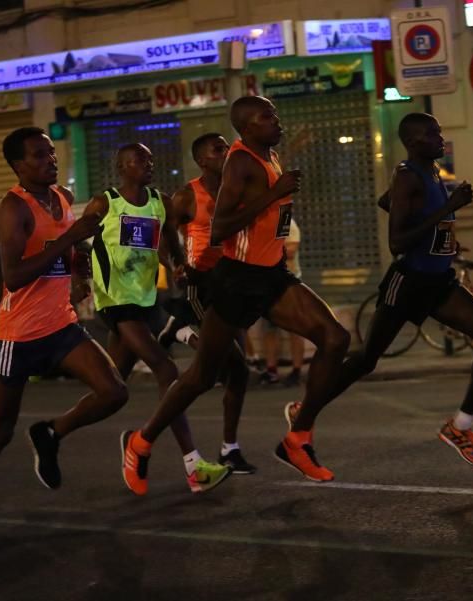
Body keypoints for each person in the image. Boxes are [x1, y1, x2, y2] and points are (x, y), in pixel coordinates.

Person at [120, 95, 350, 492]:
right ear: (246, 127)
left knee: (335, 338)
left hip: (272, 276)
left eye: (276, 113)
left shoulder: (270, 156)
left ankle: (298, 437)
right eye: (266, 116)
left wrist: (276, 193)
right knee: (201, 377)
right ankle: (141, 443)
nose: (276, 120)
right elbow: (221, 228)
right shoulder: (241, 161)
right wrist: (274, 194)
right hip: (236, 281)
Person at [292, 113, 473, 468]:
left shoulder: (431, 172)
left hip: (439, 281)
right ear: (413, 141)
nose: (440, 137)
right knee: (367, 360)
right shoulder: (408, 174)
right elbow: (398, 242)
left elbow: (388, 203)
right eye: (432, 133)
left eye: (439, 129)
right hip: (406, 282)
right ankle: (306, 408)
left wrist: (445, 239)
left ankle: (460, 426)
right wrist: (449, 209)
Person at [0, 127, 129, 554]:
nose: (51, 160)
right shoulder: (14, 208)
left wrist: (79, 271)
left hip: (60, 325)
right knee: (1, 429)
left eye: (51, 152)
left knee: (114, 392)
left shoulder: (63, 199)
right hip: (19, 334)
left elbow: (70, 248)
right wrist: (70, 239)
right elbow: (12, 276)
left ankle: (51, 433)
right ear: (18, 165)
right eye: (39, 155)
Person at [90, 142, 230, 496]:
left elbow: (171, 244)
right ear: (122, 166)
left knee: (113, 387)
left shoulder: (160, 202)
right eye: (140, 159)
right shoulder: (104, 203)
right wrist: (77, 278)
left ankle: (53, 433)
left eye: (151, 158)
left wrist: (178, 267)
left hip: (144, 299)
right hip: (114, 301)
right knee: (167, 370)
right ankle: (191, 465)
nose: (149, 164)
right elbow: (77, 241)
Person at [157, 132, 256, 474]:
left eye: (227, 146)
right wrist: (177, 264)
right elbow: (164, 238)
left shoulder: (239, 189)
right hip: (204, 287)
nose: (226, 151)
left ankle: (230, 448)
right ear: (202, 160)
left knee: (235, 375)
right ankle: (145, 438)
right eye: (218, 149)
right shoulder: (187, 195)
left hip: (235, 284)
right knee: (230, 369)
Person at [260, 218, 305, 387]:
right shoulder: (262, 224)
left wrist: (267, 251)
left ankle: (296, 370)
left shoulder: (287, 223)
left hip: (288, 282)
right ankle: (271, 370)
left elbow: (291, 250)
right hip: (268, 283)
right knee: (269, 328)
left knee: (296, 328)